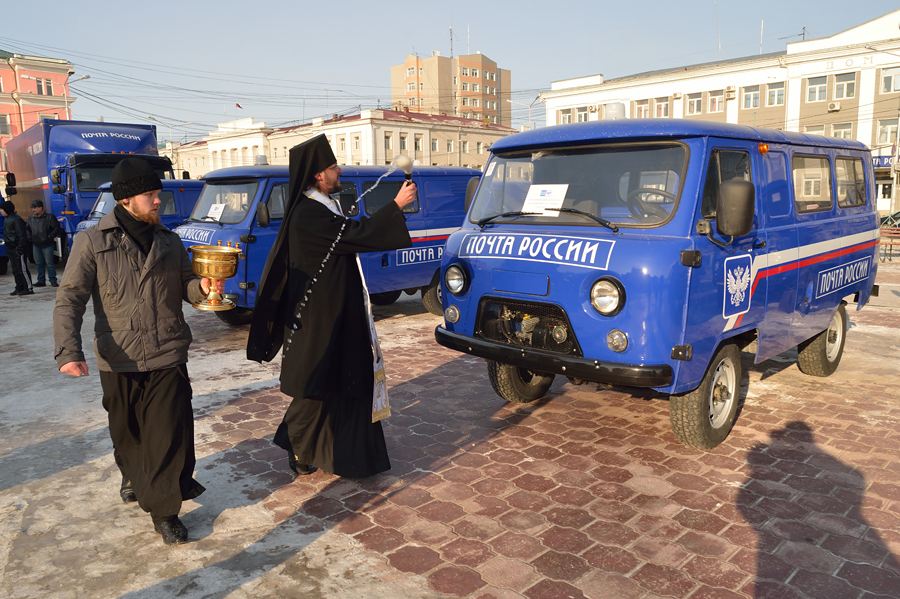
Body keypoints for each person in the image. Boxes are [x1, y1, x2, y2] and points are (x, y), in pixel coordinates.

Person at [53, 157, 222, 546]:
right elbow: (70, 298)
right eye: (150, 195)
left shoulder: (169, 240)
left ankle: (165, 511)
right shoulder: (92, 241)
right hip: (119, 356)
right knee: (126, 432)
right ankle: (132, 474)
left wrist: (203, 287)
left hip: (167, 350)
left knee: (168, 433)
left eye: (158, 194)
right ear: (126, 199)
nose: (158, 201)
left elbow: (186, 284)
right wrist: (67, 352)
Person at [247, 134, 416, 479]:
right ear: (317, 175)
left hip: (340, 313)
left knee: (346, 382)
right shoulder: (308, 213)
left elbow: (348, 235)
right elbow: (355, 234)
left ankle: (349, 455)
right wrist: (395, 206)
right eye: (333, 167)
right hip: (320, 319)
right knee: (318, 387)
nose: (339, 171)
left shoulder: (324, 205)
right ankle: (297, 443)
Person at [26, 199, 64, 287]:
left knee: (49, 264)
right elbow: (27, 229)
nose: (33, 210)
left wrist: (49, 237)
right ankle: (41, 281)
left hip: (47, 244)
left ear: (41, 208)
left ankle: (53, 280)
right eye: (32, 208)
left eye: (35, 208)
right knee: (39, 264)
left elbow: (57, 229)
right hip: (36, 244)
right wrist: (30, 237)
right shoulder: (31, 218)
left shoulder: (50, 217)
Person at [0, 200, 34, 296]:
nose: (0, 211)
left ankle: (28, 288)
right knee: (15, 269)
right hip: (10, 248)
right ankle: (19, 286)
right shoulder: (7, 219)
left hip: (17, 248)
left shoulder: (16, 219)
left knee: (22, 269)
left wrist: (20, 248)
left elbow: (21, 235)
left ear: (6, 209)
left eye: (2, 209)